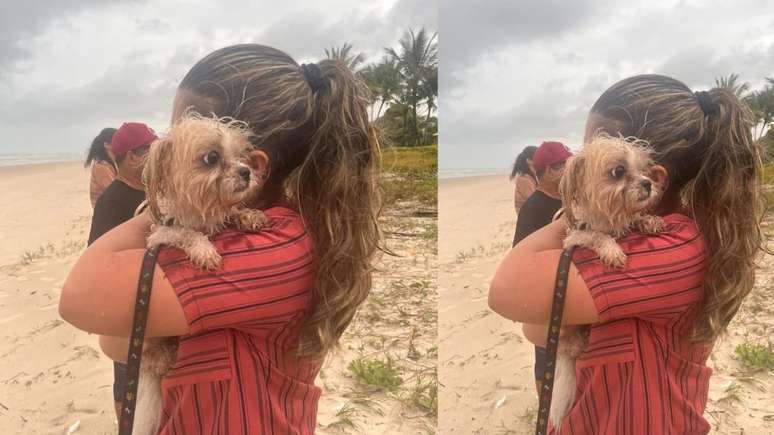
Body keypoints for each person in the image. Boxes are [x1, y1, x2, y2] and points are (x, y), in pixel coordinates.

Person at [59, 44, 380, 434]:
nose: (167, 148)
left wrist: (155, 208)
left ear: (255, 165)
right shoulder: (272, 231)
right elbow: (115, 343)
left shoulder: (270, 250)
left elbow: (80, 297)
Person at [489, 74, 762, 434]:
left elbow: (506, 291)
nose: (578, 165)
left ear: (657, 178)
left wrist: (575, 206)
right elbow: (537, 329)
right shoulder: (665, 240)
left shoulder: (674, 251)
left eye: (592, 160)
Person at [86, 121, 158, 419]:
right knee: (127, 377)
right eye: (152, 150)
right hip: (128, 306)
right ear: (132, 157)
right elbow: (96, 261)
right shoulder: (112, 201)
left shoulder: (152, 189)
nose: (158, 155)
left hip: (155, 299)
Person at [510, 140, 572, 394]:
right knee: (545, 357)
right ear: (547, 172)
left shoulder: (570, 199)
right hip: (546, 294)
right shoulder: (533, 209)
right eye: (565, 166)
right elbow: (520, 257)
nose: (571, 169)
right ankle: (544, 413)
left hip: (570, 289)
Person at [85, 127, 118, 208]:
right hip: (106, 212)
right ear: (107, 145)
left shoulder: (110, 163)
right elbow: (115, 193)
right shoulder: (101, 167)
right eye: (117, 141)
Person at [510, 145, 538, 211]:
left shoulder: (532, 177)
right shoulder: (524, 179)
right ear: (529, 161)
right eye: (538, 157)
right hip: (528, 218)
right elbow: (536, 202)